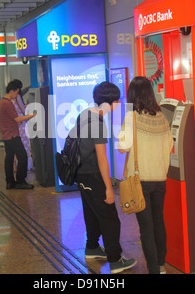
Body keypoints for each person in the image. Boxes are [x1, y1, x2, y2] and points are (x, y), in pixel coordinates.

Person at [74, 81, 137, 274]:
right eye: (117, 99)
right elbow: (102, 160)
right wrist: (109, 187)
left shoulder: (84, 114)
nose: (119, 103)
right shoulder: (98, 124)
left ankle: (92, 247)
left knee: (91, 213)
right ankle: (115, 260)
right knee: (110, 218)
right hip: (93, 174)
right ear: (109, 101)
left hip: (80, 174)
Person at [117, 76, 174, 274]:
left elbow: (122, 147)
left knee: (146, 226)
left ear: (132, 95)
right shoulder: (161, 117)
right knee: (159, 221)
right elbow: (170, 146)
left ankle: (153, 270)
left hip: (140, 181)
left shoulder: (132, 117)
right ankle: (160, 264)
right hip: (160, 179)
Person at [0, 80, 36, 190]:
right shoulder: (8, 103)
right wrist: (31, 115)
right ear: (12, 91)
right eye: (17, 92)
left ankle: (10, 182)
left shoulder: (0, 103)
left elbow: (8, 119)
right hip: (13, 135)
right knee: (22, 156)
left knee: (9, 158)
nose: (17, 95)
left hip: (5, 135)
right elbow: (18, 119)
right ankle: (20, 181)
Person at [12, 79, 34, 171]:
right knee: (25, 144)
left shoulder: (10, 98)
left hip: (15, 124)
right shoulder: (17, 96)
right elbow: (22, 110)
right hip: (21, 124)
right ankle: (26, 166)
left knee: (17, 146)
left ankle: (16, 166)